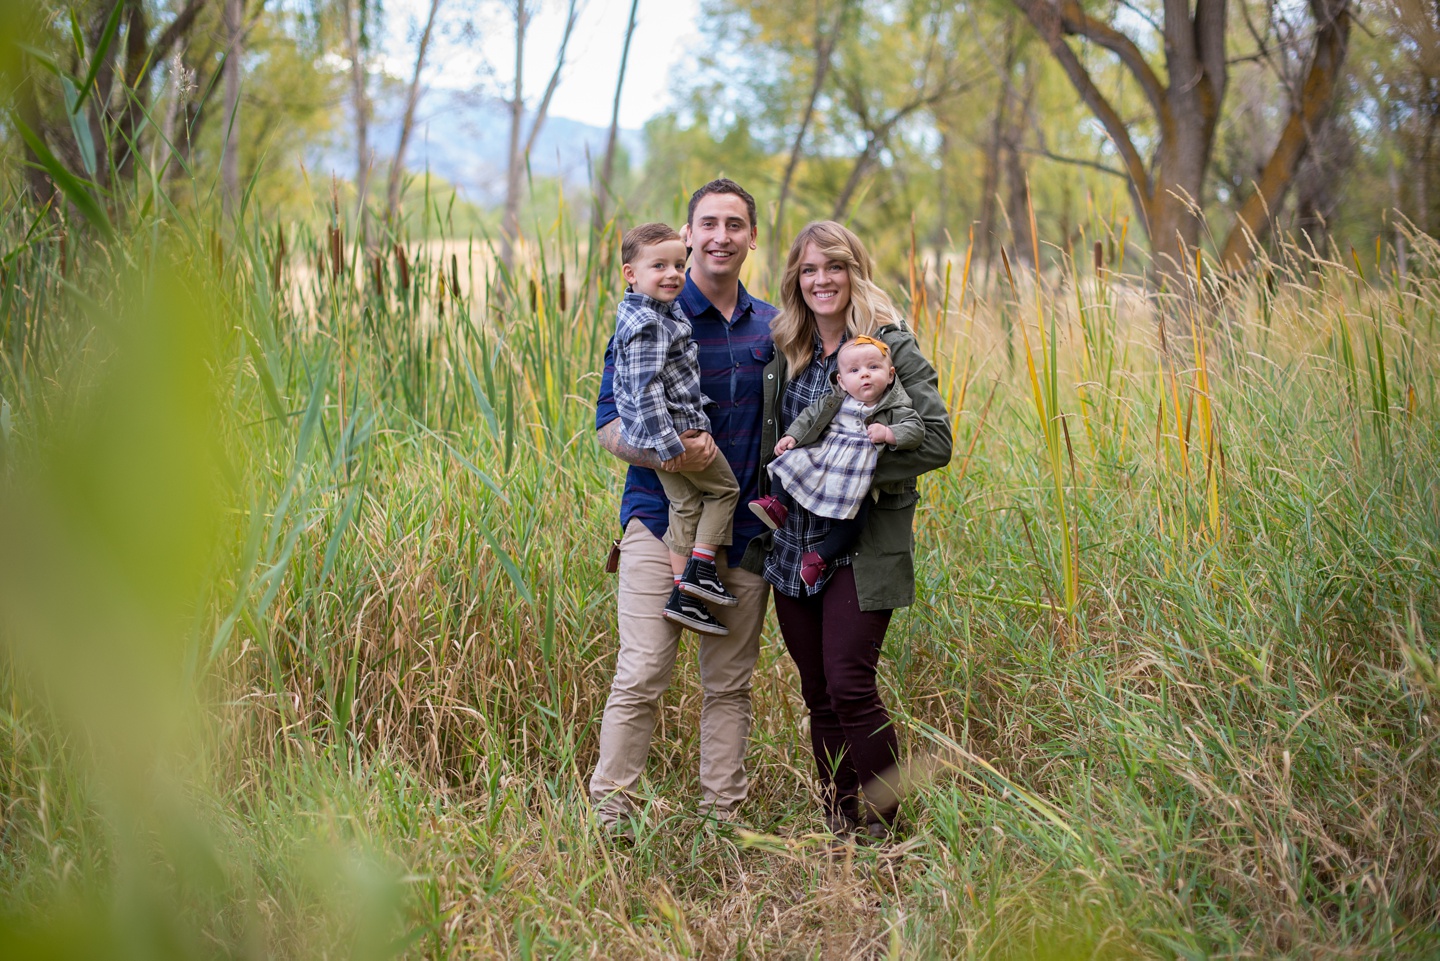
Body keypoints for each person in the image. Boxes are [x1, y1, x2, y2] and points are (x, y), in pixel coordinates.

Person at [740, 220, 952, 840]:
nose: (821, 280)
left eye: (833, 266)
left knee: (851, 682)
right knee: (818, 693)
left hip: (860, 543)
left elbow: (935, 441)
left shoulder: (890, 349)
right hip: (791, 543)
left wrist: (852, 466)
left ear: (854, 271)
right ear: (795, 280)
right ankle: (841, 824)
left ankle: (888, 831)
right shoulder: (788, 350)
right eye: (808, 269)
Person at [590, 179, 778, 835]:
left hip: (745, 530)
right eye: (708, 223)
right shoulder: (651, 309)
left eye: (735, 224)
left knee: (728, 686)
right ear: (689, 232)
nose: (721, 235)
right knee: (642, 670)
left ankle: (721, 820)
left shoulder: (775, 325)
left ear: (751, 236)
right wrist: (664, 453)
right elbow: (609, 423)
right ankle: (611, 817)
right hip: (655, 519)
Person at [611, 221, 740, 635]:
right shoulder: (648, 325)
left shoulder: (654, 312)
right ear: (631, 274)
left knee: (685, 506)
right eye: (660, 266)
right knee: (724, 490)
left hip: (666, 435)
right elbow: (644, 390)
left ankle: (684, 594)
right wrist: (669, 446)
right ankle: (700, 568)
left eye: (679, 266)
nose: (673, 275)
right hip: (676, 435)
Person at [749, 334, 925, 589]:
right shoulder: (835, 400)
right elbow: (808, 416)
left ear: (890, 374)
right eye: (855, 370)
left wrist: (889, 433)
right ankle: (777, 504)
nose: (864, 375)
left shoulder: (895, 406)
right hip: (826, 455)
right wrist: (792, 436)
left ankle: (819, 558)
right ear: (841, 381)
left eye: (873, 367)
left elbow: (916, 429)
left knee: (854, 521)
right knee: (789, 460)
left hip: (857, 470)